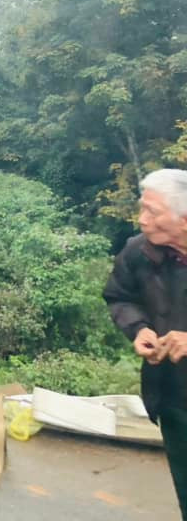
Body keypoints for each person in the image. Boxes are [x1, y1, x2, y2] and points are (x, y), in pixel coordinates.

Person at [103, 168, 187, 519]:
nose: (142, 220)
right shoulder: (138, 252)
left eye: (152, 211)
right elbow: (119, 296)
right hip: (173, 399)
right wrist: (139, 329)